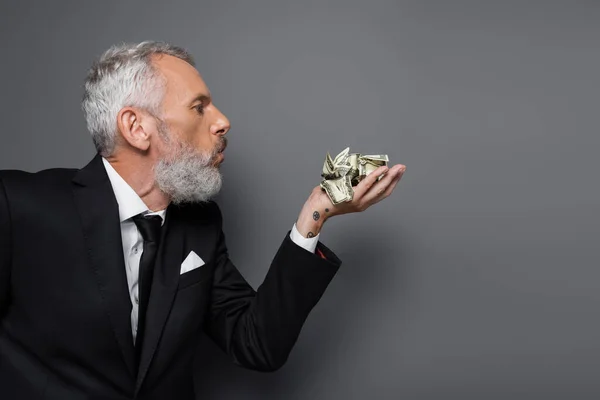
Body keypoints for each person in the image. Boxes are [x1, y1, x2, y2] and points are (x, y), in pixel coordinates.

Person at [0, 41, 406, 400]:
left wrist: (315, 214)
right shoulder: (19, 207)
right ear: (136, 127)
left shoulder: (200, 224)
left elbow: (256, 344)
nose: (222, 121)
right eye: (199, 106)